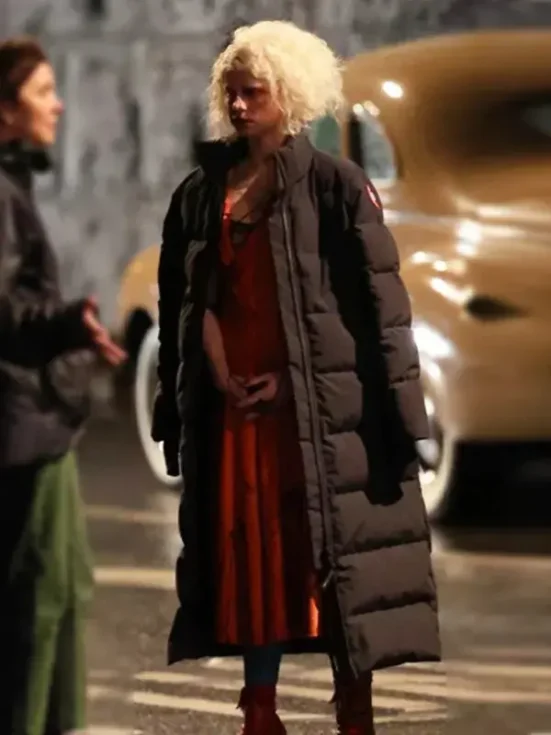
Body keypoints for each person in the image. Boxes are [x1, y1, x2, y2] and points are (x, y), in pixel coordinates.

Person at [153, 20, 440, 735]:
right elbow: (185, 300)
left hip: (320, 417)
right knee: (252, 558)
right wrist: (207, 378)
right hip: (238, 414)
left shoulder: (337, 187)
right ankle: (260, 707)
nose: (239, 105)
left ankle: (353, 706)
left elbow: (380, 309)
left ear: (290, 94)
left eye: (254, 92)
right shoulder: (202, 193)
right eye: (232, 91)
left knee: (335, 559)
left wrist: (400, 416)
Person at [0, 35, 126, 735]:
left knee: (64, 586)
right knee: (40, 595)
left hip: (41, 419)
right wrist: (67, 323)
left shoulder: (13, 182)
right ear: (5, 110)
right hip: (23, 420)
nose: (59, 104)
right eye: (43, 92)